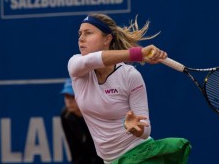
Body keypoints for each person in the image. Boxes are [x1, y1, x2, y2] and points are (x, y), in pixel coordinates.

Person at [68, 13, 191, 164]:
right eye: (80, 33)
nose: (81, 38)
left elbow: (145, 131)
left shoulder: (130, 76)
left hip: (140, 156)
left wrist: (136, 128)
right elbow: (93, 60)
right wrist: (138, 54)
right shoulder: (75, 66)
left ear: (107, 39)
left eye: (89, 33)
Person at [60, 78, 103, 164]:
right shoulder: (65, 116)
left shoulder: (97, 112)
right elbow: (75, 149)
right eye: (66, 96)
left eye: (72, 96)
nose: (69, 101)